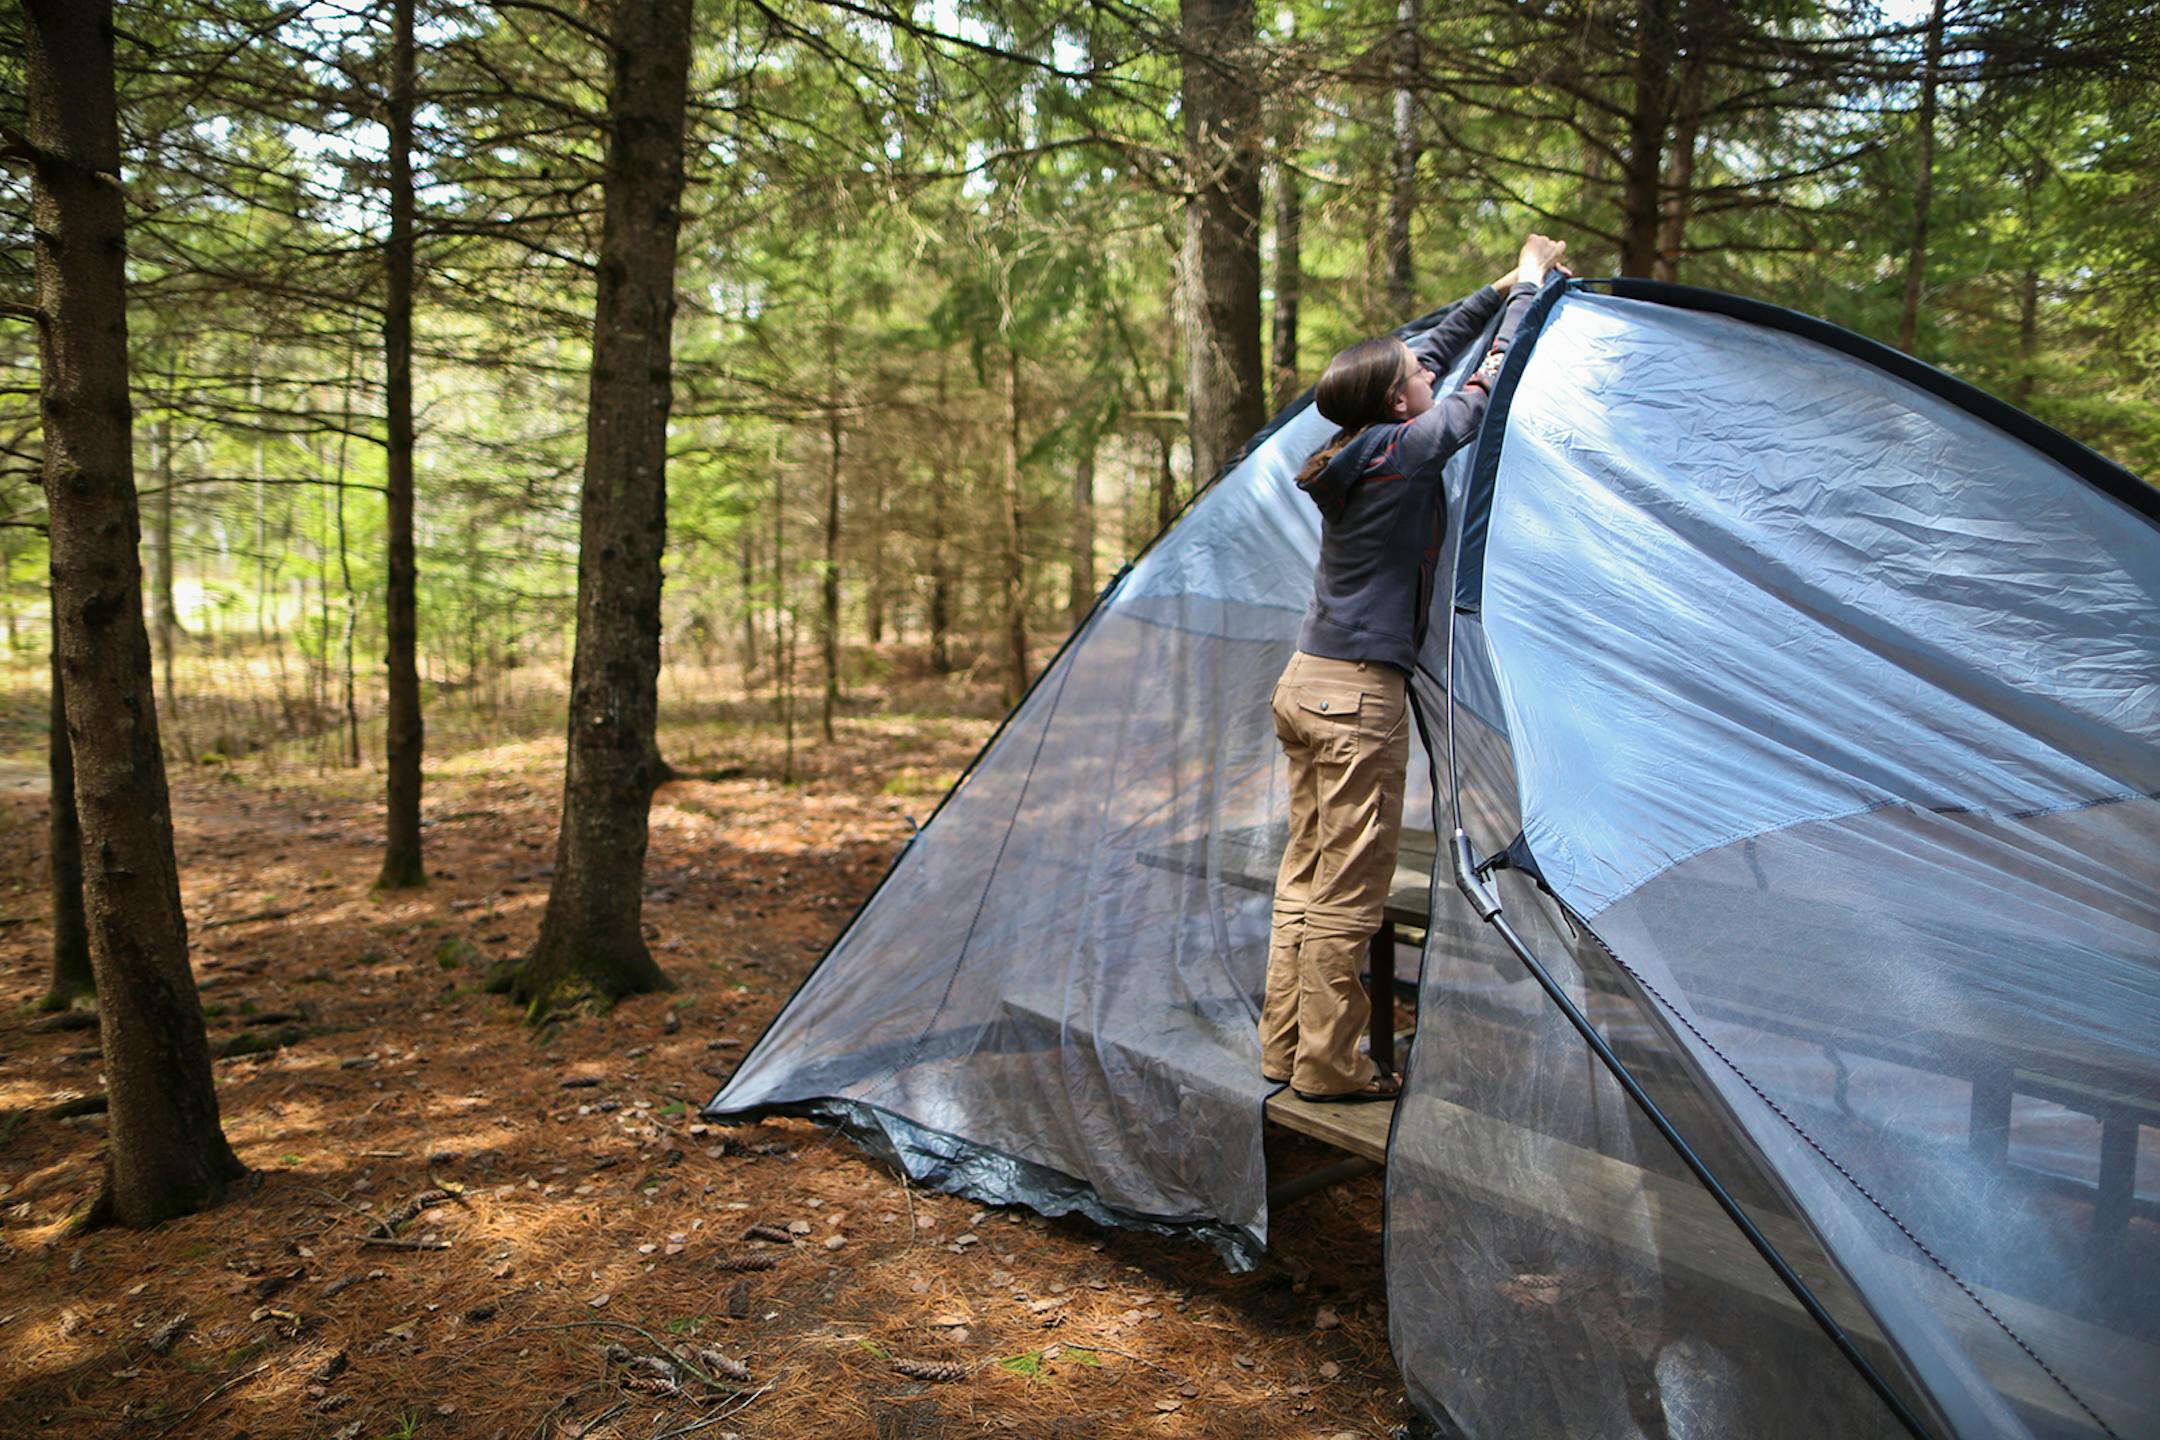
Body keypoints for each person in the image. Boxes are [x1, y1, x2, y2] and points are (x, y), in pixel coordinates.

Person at [1262, 232, 1569, 1102]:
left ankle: (1284, 1046)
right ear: (1399, 401)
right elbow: (1480, 390)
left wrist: (1503, 281)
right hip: (1358, 698)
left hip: (1306, 686)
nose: (1428, 373)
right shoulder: (1402, 451)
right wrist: (1529, 298)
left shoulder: (1361, 445)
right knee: (1349, 893)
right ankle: (1330, 1065)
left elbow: (1431, 355)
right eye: (1414, 379)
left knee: (1305, 874)